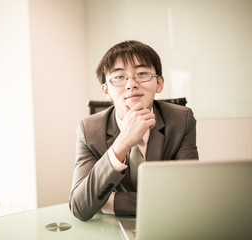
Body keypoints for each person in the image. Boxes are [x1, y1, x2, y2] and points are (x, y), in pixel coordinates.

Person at [69, 40, 199, 221]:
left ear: (159, 83)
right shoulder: (89, 129)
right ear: (106, 90)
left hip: (168, 221)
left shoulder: (181, 120)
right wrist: (123, 142)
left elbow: (188, 196)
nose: (131, 84)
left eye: (142, 73)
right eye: (119, 77)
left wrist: (110, 203)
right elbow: (79, 206)